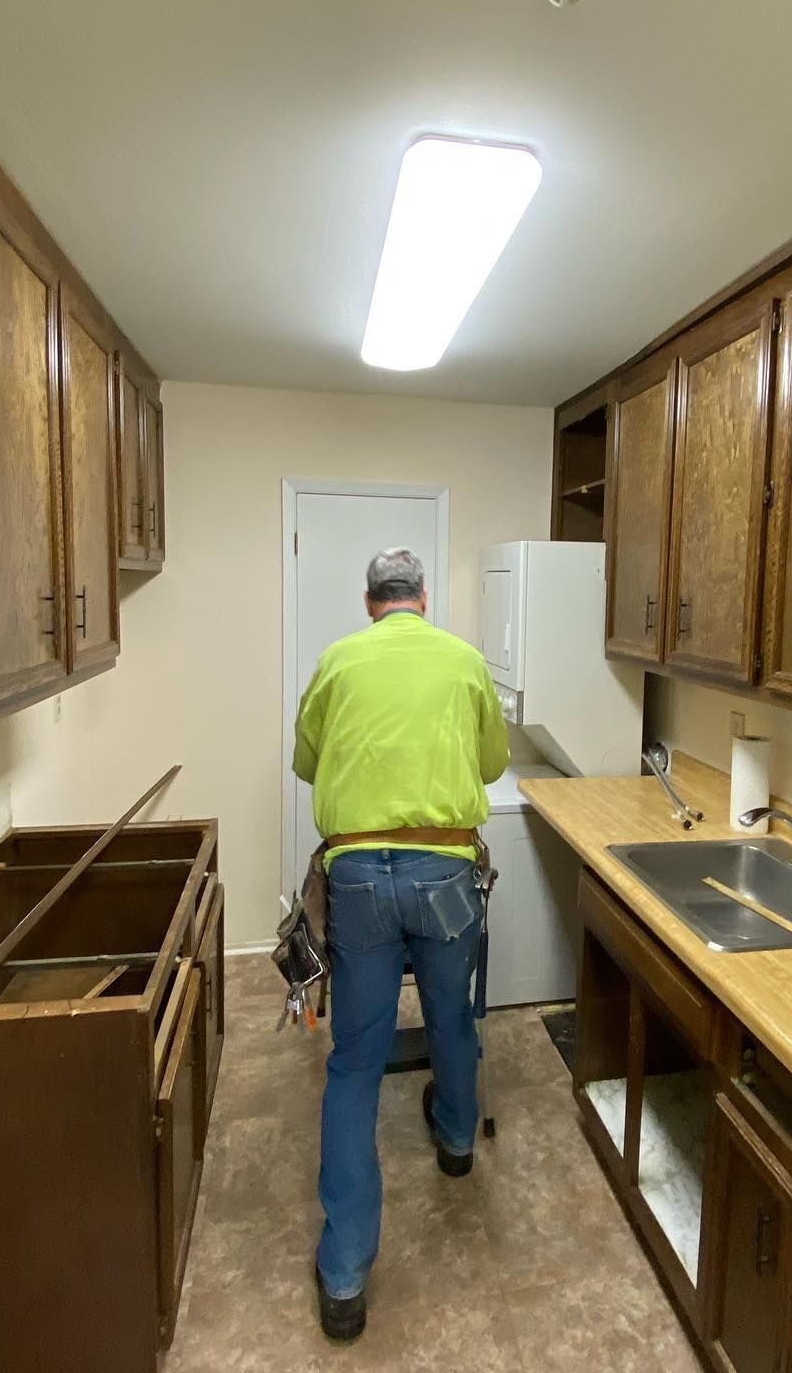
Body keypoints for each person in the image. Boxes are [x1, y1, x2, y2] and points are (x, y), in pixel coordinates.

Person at [292, 547, 510, 1341]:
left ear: (369, 602)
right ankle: (455, 1138)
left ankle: (345, 1273)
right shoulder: (463, 661)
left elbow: (307, 761)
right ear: (422, 597)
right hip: (446, 868)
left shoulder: (337, 662)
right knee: (451, 1017)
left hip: (356, 877)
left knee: (356, 1057)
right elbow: (492, 765)